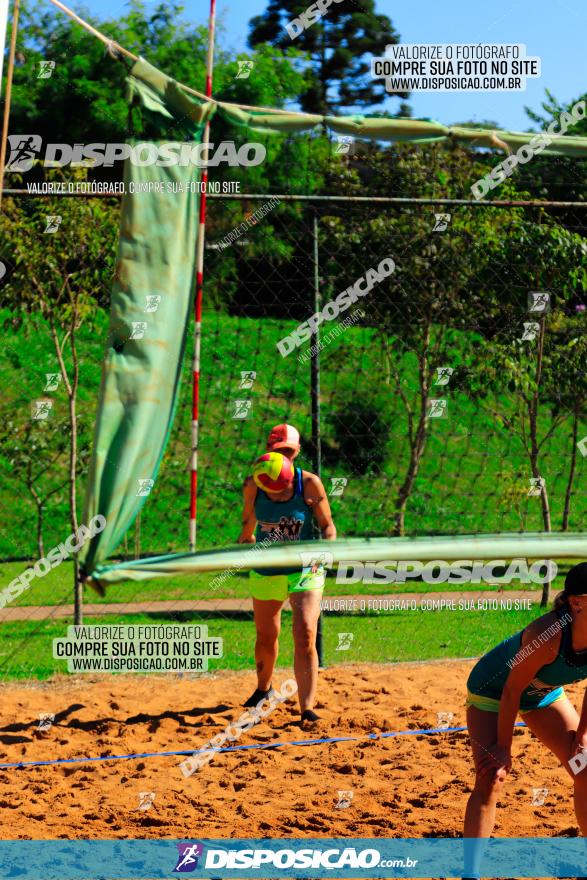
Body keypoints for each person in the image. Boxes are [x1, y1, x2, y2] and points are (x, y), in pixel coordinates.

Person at [463, 562, 587, 877]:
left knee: (584, 767)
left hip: (542, 694)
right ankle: (470, 873)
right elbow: (510, 691)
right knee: (491, 776)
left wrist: (582, 737)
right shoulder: (547, 635)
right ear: (577, 603)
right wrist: (504, 748)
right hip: (493, 691)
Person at [238, 423, 336, 725]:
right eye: (278, 450)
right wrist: (247, 545)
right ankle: (263, 690)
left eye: (289, 451)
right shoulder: (255, 485)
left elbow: (328, 528)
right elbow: (246, 532)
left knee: (306, 631)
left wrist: (323, 558)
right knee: (267, 637)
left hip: (306, 567)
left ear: (297, 452)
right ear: (269, 450)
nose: (283, 455)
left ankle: (306, 708)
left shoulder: (308, 484)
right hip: (267, 568)